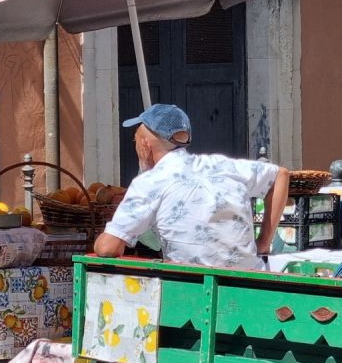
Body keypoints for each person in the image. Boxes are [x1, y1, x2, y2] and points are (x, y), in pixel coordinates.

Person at [92, 103, 292, 270]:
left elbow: (109, 248)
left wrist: (100, 241)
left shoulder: (150, 183)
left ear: (145, 145)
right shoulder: (222, 165)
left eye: (135, 140)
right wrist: (263, 242)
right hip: (250, 279)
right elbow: (280, 175)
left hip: (190, 288)